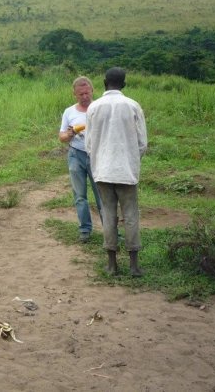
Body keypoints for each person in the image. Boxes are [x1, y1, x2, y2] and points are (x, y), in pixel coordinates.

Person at [85, 67, 147, 277]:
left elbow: (89, 144)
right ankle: (133, 266)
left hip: (102, 171)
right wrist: (130, 161)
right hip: (126, 172)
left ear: (104, 83)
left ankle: (111, 265)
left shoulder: (94, 107)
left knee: (108, 215)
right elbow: (142, 144)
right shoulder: (133, 106)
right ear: (124, 84)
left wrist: (100, 163)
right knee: (130, 215)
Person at [59, 76, 103, 242]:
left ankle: (111, 230)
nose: (85, 97)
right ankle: (85, 229)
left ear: (92, 90)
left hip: (97, 155)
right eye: (80, 94)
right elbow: (62, 136)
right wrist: (70, 134)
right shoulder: (69, 112)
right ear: (74, 94)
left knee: (102, 195)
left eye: (87, 93)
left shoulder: (100, 108)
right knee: (80, 196)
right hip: (76, 154)